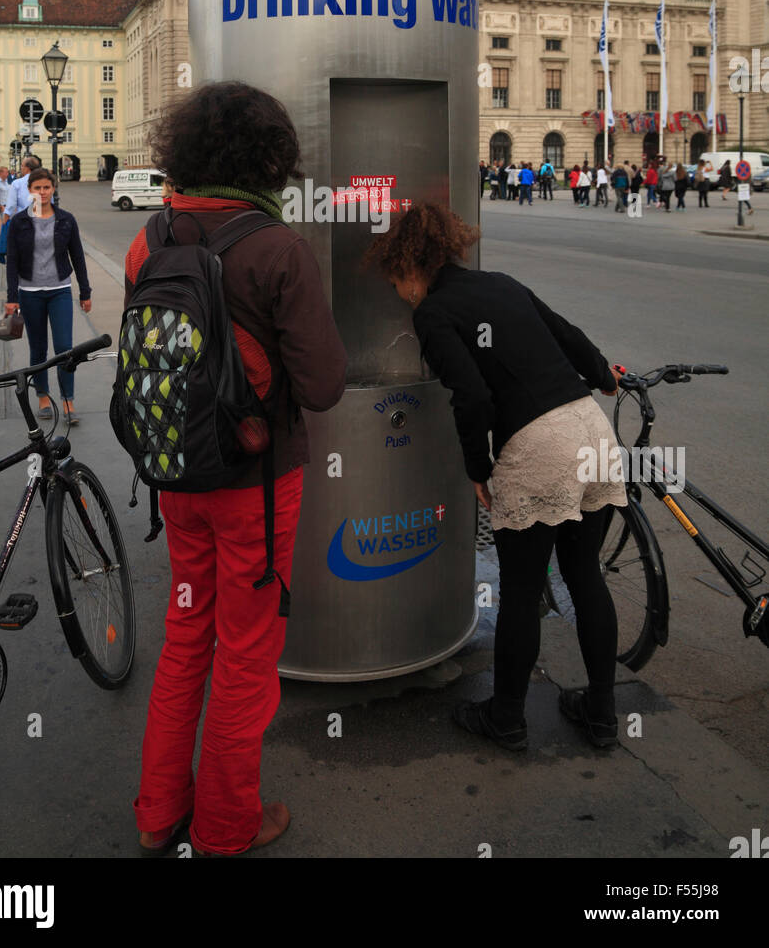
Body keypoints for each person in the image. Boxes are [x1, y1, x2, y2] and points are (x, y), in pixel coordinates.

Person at [129, 82, 346, 858]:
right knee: (247, 651)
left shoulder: (148, 237)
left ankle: (158, 813)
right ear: (269, 158)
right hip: (255, 486)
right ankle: (226, 826)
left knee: (186, 631)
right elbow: (322, 385)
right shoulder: (277, 246)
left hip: (176, 473)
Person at [363, 202, 625, 751]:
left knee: (522, 593)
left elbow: (473, 397)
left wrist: (477, 468)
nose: (399, 293)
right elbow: (568, 334)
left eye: (396, 281)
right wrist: (603, 374)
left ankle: (506, 717)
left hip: (539, 446)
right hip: (591, 428)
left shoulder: (432, 314)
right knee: (585, 576)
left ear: (412, 266)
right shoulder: (501, 283)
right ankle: (601, 713)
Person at [4, 168, 92, 428]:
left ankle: (68, 401)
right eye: (37, 188)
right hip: (29, 293)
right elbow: (12, 263)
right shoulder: (19, 222)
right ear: (29, 190)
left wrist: (85, 291)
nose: (42, 193)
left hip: (60, 290)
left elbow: (77, 256)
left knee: (65, 347)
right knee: (38, 349)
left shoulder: (66, 220)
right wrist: (12, 297)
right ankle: (43, 397)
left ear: (53, 189)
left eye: (47, 188)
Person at [3, 155, 41, 222]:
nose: (21, 168)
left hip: (23, 221)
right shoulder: (45, 182)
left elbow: (11, 206)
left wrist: (5, 221)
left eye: (22, 166)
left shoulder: (17, 183)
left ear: (27, 168)